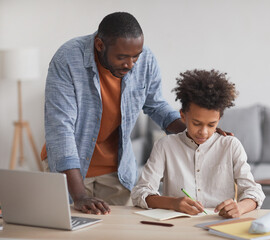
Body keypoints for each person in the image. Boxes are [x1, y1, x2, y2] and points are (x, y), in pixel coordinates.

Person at [42, 12, 230, 215]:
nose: (130, 65)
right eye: (122, 57)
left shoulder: (145, 59)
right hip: (70, 171)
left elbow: (156, 106)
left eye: (135, 57)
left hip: (117, 171)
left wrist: (196, 129)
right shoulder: (68, 59)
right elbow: (60, 128)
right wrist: (79, 196)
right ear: (99, 45)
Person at [131, 69, 265, 218]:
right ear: (182, 115)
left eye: (211, 124)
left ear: (219, 119)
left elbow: (255, 192)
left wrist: (240, 207)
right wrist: (173, 203)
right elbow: (139, 193)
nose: (204, 132)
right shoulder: (165, 146)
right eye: (196, 123)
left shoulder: (230, 146)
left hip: (218, 223)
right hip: (177, 226)